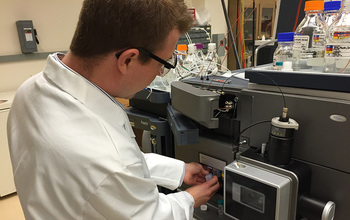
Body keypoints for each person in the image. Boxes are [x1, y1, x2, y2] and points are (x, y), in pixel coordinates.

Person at [7, 0, 220, 219]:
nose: (159, 74)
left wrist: (179, 171)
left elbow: (119, 170)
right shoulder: (108, 157)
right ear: (128, 59)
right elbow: (146, 211)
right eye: (163, 63)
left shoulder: (30, 90)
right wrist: (189, 199)